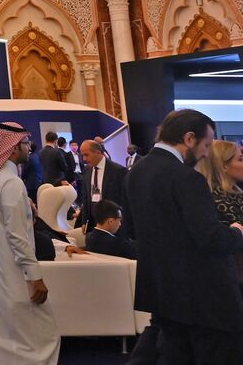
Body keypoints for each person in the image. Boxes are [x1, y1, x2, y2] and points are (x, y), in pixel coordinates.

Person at [127, 109, 243, 365]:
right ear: (189, 138)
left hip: (165, 293)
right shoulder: (187, 178)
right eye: (206, 144)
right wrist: (237, 231)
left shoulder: (138, 171)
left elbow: (137, 231)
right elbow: (211, 238)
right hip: (206, 299)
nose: (206, 153)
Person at [0, 122, 59, 365]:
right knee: (40, 331)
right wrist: (35, 274)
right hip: (10, 267)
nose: (29, 149)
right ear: (14, 147)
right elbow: (17, 235)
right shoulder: (11, 182)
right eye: (26, 144)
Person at [196, 139, 243, 295]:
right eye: (240, 159)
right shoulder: (211, 200)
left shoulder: (237, 194)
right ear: (223, 166)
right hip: (230, 282)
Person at [77, 139, 127, 234]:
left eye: (86, 155)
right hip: (93, 223)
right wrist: (84, 221)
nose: (84, 159)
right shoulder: (87, 170)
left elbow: (125, 198)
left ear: (98, 152)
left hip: (112, 223)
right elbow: (85, 198)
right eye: (82, 155)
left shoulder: (118, 171)